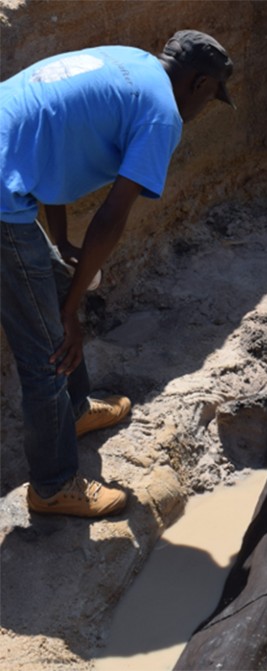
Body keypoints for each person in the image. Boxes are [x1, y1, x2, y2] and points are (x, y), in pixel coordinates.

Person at [0, 30, 235, 518]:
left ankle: (77, 408)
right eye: (212, 95)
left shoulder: (129, 62)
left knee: (60, 275)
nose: (206, 107)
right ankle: (52, 486)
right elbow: (111, 217)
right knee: (47, 350)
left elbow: (51, 145)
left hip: (8, 160)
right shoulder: (160, 115)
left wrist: (61, 244)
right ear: (196, 83)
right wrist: (69, 315)